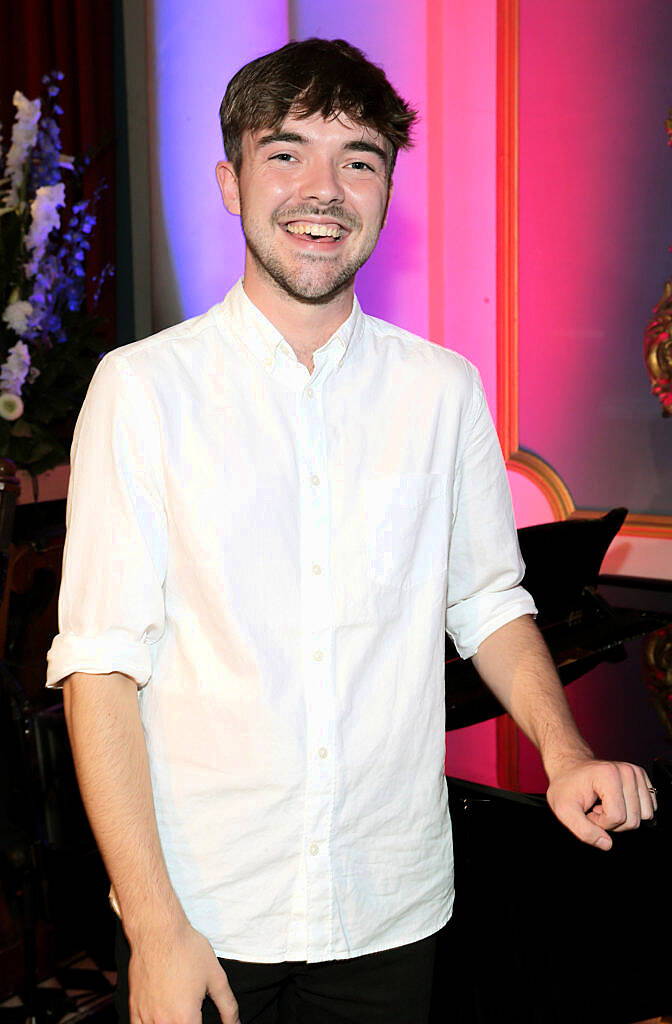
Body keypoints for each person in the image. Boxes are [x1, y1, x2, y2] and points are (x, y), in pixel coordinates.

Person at [46, 37, 656, 1024]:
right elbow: (101, 667)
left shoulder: (443, 392)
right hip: (205, 912)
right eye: (286, 153)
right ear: (230, 180)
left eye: (359, 159)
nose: (323, 189)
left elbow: (488, 601)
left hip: (391, 911)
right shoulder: (143, 391)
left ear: (385, 189)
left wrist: (565, 750)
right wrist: (156, 927)